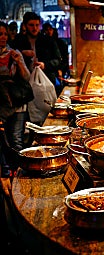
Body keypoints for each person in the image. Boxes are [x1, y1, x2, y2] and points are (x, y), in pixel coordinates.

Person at [0, 22, 31, 177]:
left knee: (16, 139)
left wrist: (19, 61)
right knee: (3, 142)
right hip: (2, 106)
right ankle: (7, 173)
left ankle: (21, 175)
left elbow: (26, 77)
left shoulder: (14, 53)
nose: (3, 37)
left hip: (17, 104)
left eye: (5, 34)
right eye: (0, 34)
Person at [13, 12, 62, 94]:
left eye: (37, 25)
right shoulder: (18, 41)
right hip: (25, 85)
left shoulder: (48, 41)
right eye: (31, 25)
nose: (35, 28)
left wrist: (44, 65)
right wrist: (21, 53)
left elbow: (58, 60)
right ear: (25, 25)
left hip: (46, 82)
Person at [42, 22, 69, 93]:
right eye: (46, 30)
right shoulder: (43, 43)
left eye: (50, 29)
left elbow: (64, 59)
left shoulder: (61, 43)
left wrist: (61, 69)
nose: (49, 32)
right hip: (49, 73)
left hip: (59, 71)